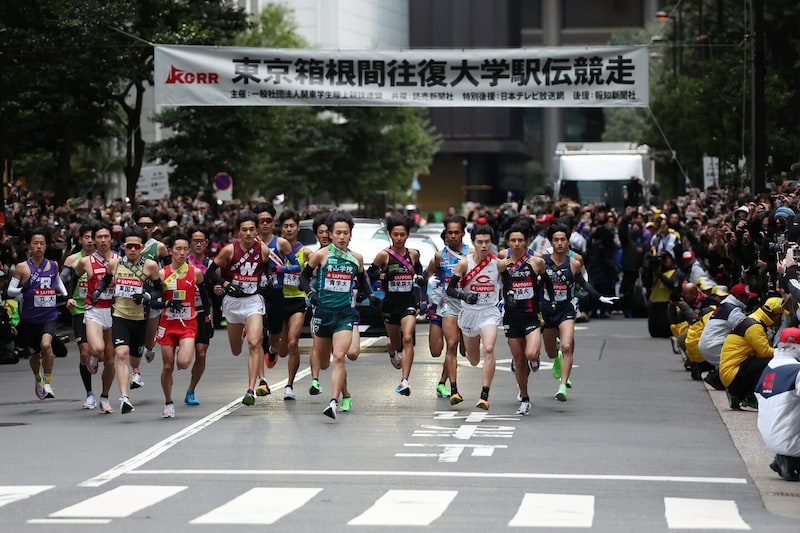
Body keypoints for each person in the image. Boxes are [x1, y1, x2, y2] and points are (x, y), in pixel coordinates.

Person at [299, 212, 373, 420]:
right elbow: (302, 279)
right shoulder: (321, 255)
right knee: (324, 363)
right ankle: (346, 394)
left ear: (351, 235)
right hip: (323, 314)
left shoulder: (356, 258)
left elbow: (363, 281)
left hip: (343, 316)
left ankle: (333, 401)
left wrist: (371, 297)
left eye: (346, 233)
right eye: (338, 233)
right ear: (330, 235)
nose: (342, 237)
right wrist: (311, 294)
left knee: (339, 357)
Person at [540, 223, 617, 401]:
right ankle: (557, 357)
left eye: (563, 239)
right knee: (551, 352)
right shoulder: (542, 262)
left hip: (566, 309)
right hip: (547, 311)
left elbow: (584, 283)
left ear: (568, 241)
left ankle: (562, 386)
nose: (559, 243)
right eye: (556, 240)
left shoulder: (573, 263)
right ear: (551, 242)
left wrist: (600, 297)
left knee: (568, 346)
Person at [205, 211, 272, 407]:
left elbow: (266, 265)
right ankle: (243, 330)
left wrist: (267, 278)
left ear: (256, 231)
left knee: (254, 343)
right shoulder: (229, 250)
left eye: (252, 229)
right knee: (236, 350)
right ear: (238, 232)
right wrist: (225, 285)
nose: (249, 233)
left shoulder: (264, 250)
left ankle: (251, 389)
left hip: (253, 301)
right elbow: (210, 271)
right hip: (233, 303)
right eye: (245, 230)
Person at [445, 223, 507, 410]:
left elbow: (508, 283)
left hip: (489, 311)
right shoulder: (465, 263)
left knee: (488, 348)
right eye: (479, 242)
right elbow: (450, 289)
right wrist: (465, 296)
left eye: (487, 242)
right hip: (469, 313)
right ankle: (456, 389)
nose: (483, 246)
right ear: (473, 242)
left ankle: (484, 395)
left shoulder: (498, 264)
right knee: (473, 359)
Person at [7, 227, 68, 401]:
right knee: (34, 354)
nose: (39, 247)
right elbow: (10, 291)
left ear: (46, 245)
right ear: (29, 245)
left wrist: (65, 295)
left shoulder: (53, 264)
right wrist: (22, 288)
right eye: (35, 243)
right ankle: (38, 378)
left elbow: (57, 282)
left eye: (42, 243)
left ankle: (47, 382)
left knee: (46, 345)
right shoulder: (22, 267)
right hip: (30, 318)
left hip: (49, 315)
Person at [501, 222, 553, 415]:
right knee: (519, 361)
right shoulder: (502, 261)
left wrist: (552, 301)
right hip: (511, 316)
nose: (516, 244)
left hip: (532, 314)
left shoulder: (536, 261)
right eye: (513, 240)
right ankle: (524, 397)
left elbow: (547, 281)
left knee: (530, 354)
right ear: (507, 242)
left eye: (520, 240)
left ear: (527, 241)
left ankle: (536, 355)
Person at [368, 215, 424, 396]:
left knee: (408, 338)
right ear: (390, 235)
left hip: (408, 301)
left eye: (402, 235)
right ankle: (391, 350)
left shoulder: (413, 254)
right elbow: (370, 275)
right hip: (390, 303)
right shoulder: (384, 255)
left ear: (407, 235)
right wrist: (385, 276)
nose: (399, 238)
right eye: (395, 235)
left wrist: (420, 278)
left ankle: (405, 380)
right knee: (396, 342)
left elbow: (419, 269)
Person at [111, 226, 162, 414]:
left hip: (141, 318)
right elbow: (105, 281)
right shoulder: (114, 263)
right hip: (119, 316)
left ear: (142, 247)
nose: (133, 250)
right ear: (123, 246)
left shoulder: (150, 265)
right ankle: (124, 398)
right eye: (129, 246)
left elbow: (159, 290)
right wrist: (99, 291)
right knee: (122, 354)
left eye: (136, 246)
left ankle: (148, 349)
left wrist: (147, 296)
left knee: (135, 355)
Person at [155, 234, 205, 418]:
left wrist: (206, 315)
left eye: (185, 249)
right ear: (171, 251)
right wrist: (166, 304)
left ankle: (181, 352)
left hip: (188, 323)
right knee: (167, 367)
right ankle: (168, 402)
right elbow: (153, 300)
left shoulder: (195, 273)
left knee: (183, 362)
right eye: (178, 249)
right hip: (167, 324)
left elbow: (204, 294)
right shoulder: (162, 274)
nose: (182, 253)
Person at [74, 223, 119, 414]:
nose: (102, 240)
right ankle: (93, 354)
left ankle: (105, 397)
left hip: (114, 311)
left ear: (111, 239)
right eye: (98, 237)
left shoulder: (120, 260)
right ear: (93, 239)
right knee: (98, 349)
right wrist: (69, 296)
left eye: (105, 237)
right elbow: (73, 277)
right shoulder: (86, 261)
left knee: (110, 360)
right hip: (93, 310)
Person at [254, 203, 297, 397]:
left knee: (275, 337)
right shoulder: (250, 242)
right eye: (260, 221)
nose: (264, 224)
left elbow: (296, 267)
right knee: (256, 339)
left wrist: (279, 269)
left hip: (276, 293)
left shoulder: (281, 244)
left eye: (268, 221)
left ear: (273, 222)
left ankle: (272, 349)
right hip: (255, 294)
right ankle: (262, 381)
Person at [720, 296, 787, 410]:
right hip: (733, 372)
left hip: (730, 371)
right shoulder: (755, 327)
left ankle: (738, 395)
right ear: (776, 316)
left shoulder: (753, 319)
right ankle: (750, 397)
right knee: (768, 362)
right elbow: (764, 352)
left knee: (760, 362)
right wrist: (786, 353)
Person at [431, 216, 472, 401]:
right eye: (450, 232)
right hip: (449, 304)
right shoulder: (440, 256)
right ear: (446, 234)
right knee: (451, 344)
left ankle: (442, 381)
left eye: (457, 232)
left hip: (469, 305)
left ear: (463, 233)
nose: (453, 236)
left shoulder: (471, 254)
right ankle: (452, 388)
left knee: (466, 352)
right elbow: (435, 277)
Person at [755, 326, 800, 482]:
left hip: (769, 436)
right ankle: (787, 462)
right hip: (789, 440)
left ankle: (783, 460)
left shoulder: (769, 367)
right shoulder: (797, 370)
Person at [62, 223, 97, 409]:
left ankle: (96, 355)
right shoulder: (72, 259)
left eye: (93, 237)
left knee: (103, 352)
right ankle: (90, 394)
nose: (90, 240)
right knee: (84, 352)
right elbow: (62, 281)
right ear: (80, 239)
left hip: (100, 309)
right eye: (87, 237)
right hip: (79, 309)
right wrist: (68, 298)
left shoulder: (104, 259)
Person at [276, 209, 310, 400]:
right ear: (281, 228)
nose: (289, 229)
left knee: (292, 342)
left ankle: (289, 385)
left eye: (292, 226)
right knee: (282, 351)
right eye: (285, 226)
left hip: (297, 299)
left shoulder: (304, 252)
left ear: (298, 227)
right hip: (279, 299)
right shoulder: (276, 249)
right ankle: (272, 347)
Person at [134, 210, 170, 384]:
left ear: (154, 227)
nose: (145, 228)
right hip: (133, 295)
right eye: (141, 225)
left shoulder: (159, 247)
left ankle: (150, 346)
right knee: (135, 335)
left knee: (148, 338)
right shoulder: (129, 244)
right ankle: (136, 372)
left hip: (153, 295)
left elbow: (170, 269)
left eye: (148, 225)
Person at [698, 283, 756, 388]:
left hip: (708, 344)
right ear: (739, 297)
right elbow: (748, 329)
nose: (748, 299)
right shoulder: (733, 310)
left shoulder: (727, 305)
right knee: (745, 360)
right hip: (714, 346)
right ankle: (716, 378)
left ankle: (713, 373)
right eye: (746, 297)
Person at [185, 227, 214, 406]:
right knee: (179, 359)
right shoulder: (183, 262)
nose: (197, 243)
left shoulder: (212, 265)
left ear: (206, 243)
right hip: (182, 314)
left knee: (201, 353)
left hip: (202, 312)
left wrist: (218, 290)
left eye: (201, 240)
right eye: (194, 240)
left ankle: (191, 390)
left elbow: (214, 290)